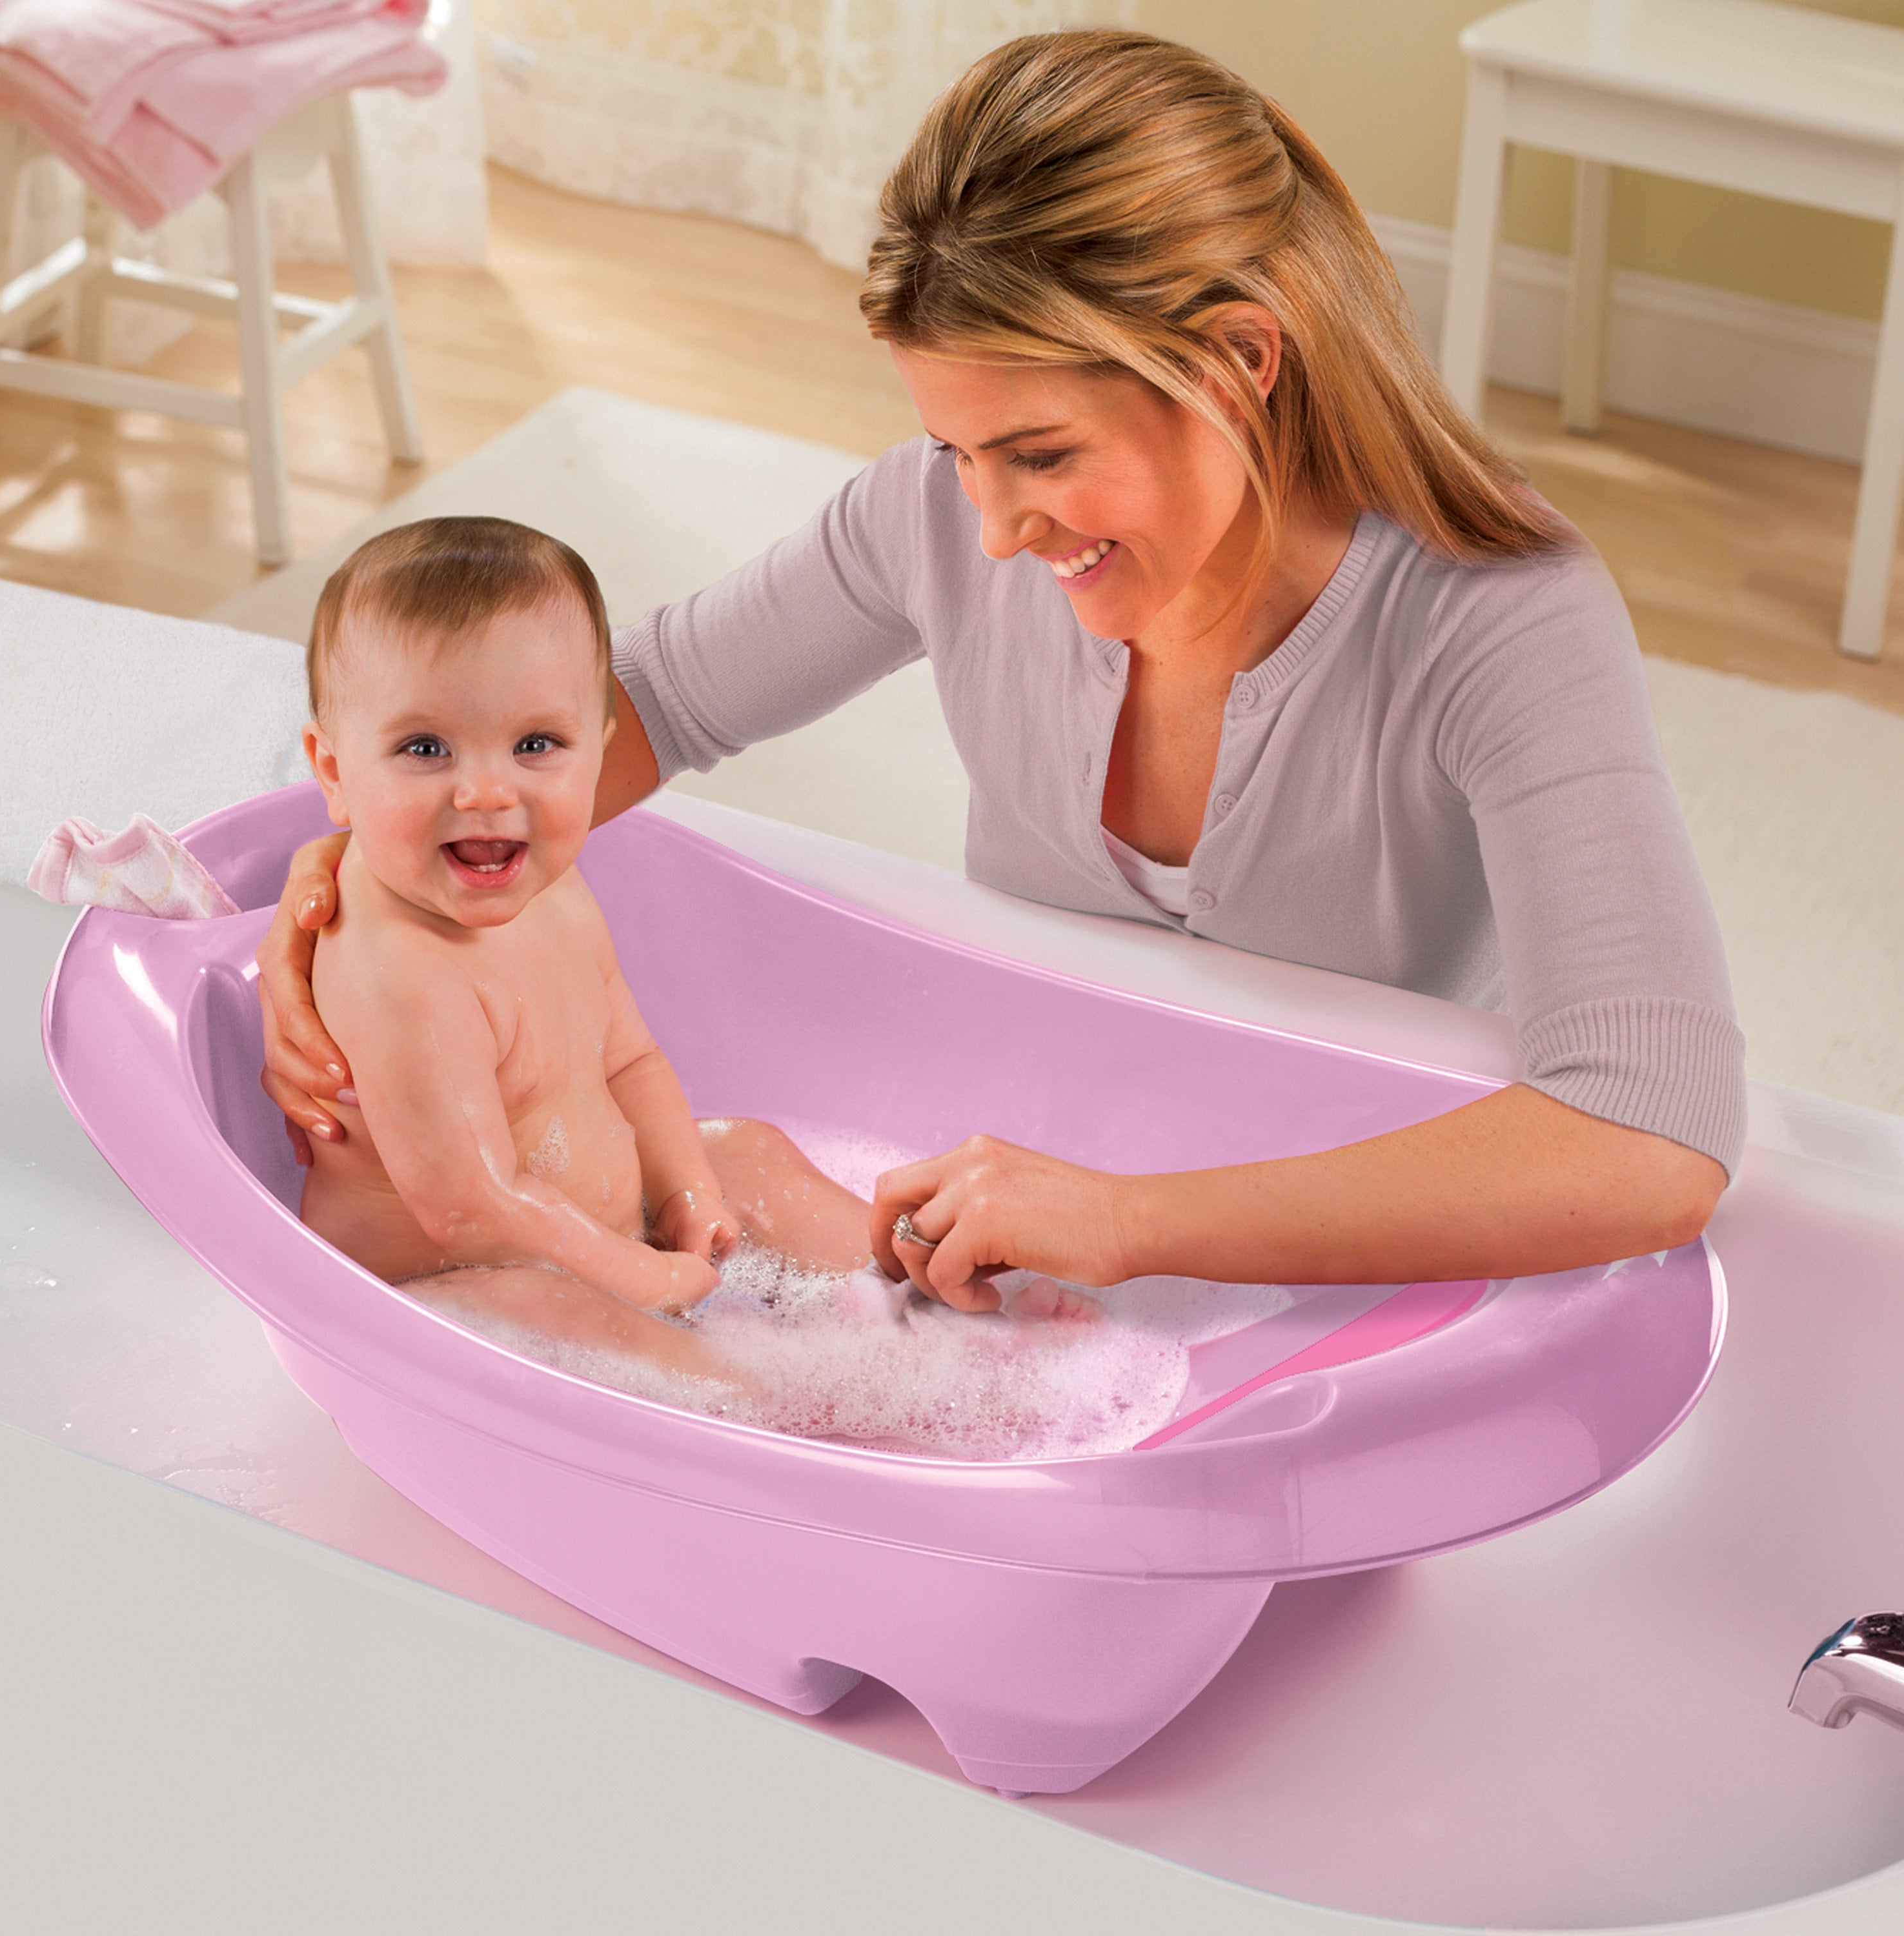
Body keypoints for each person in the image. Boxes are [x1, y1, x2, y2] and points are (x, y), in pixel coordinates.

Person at [258, 30, 1741, 1317]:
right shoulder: (935, 519)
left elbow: (1647, 1138)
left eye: (1040, 453)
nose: (992, 528)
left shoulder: (1495, 617)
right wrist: (350, 897)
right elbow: (635, 708)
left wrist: (1132, 1222)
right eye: (957, 450)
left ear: (1241, 360)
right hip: (1031, 1183)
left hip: (1356, 1233)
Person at [293, 516, 883, 1378]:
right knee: (544, 1306)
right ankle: (775, 1406)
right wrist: (644, 1276)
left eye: (536, 745)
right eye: (425, 748)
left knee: (745, 1151)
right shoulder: (398, 969)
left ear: (596, 756)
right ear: (335, 771)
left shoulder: (548, 888)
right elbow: (472, 1211)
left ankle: (918, 1308)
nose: (487, 791)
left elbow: (630, 1061)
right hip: (441, 1292)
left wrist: (687, 1194)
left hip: (592, 1241)